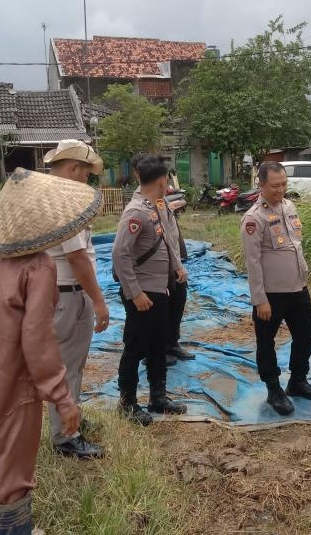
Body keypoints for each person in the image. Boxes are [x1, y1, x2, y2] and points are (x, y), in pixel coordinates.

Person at [0, 167, 103, 535]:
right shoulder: (38, 265)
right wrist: (62, 397)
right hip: (14, 386)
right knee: (11, 483)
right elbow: (37, 339)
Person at [240, 161, 311, 415]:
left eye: (284, 184)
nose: (280, 190)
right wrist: (260, 299)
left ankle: (297, 380)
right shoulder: (254, 218)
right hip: (271, 294)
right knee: (266, 342)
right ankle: (273, 389)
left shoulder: (289, 206)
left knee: (308, 331)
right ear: (261, 185)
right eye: (274, 186)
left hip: (297, 287)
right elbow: (252, 262)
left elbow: (294, 244)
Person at [43, 139, 109, 459]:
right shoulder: (66, 204)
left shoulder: (47, 198)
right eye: (85, 174)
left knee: (67, 366)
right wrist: (98, 301)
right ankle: (66, 436)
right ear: (72, 169)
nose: (86, 181)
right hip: (69, 297)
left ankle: (70, 421)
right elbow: (78, 258)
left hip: (58, 295)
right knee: (68, 368)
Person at [112, 154, 188, 426]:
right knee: (135, 348)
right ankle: (127, 403)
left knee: (157, 346)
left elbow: (168, 239)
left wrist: (177, 266)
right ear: (162, 180)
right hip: (143, 293)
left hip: (160, 289)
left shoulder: (158, 206)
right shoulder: (136, 212)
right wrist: (134, 293)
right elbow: (120, 255)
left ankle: (158, 398)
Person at [130, 153, 196, 367]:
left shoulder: (162, 199)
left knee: (178, 300)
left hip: (172, 261)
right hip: (155, 267)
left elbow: (170, 234)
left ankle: (171, 343)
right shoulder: (139, 204)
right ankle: (154, 350)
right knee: (160, 309)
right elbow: (123, 252)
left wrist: (177, 264)